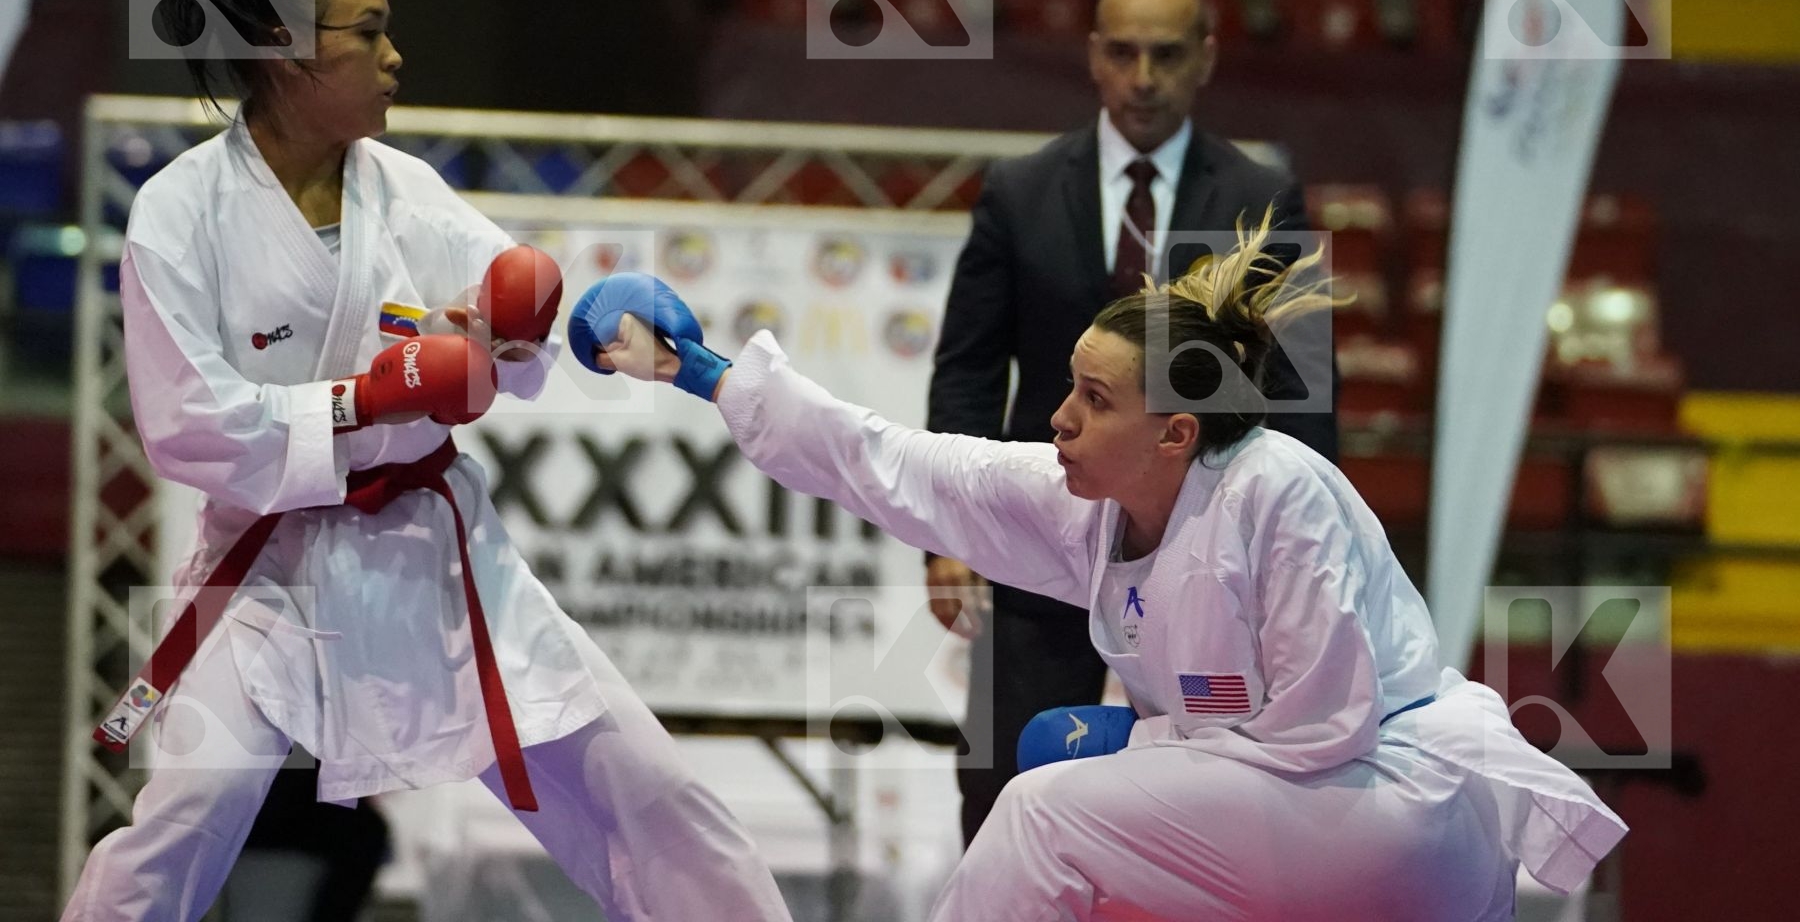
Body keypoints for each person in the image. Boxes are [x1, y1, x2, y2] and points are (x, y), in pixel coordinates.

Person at [568, 221, 1627, 922]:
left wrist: (1136, 734)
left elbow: (1322, 728)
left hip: (1395, 806)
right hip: (1304, 812)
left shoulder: (1277, 494)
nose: (1060, 417)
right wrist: (700, 372)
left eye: (1091, 398)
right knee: (1085, 840)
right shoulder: (1094, 498)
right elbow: (896, 463)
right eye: (1068, 389)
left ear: (1175, 431)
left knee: (1044, 812)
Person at [63, 0, 792, 922]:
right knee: (186, 814)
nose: (395, 55)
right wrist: (369, 397)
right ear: (284, 50)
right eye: (369, 32)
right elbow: (189, 423)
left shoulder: (404, 188)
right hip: (273, 571)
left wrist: (571, 319)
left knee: (656, 798)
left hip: (443, 562)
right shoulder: (180, 213)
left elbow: (507, 312)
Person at [926, 0, 1338, 845]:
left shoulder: (1262, 200)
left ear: (1205, 59)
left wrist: (1290, 555)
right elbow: (966, 371)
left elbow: (1299, 399)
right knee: (1002, 779)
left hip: (1208, 548)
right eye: (1124, 52)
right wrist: (948, 532)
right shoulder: (1019, 190)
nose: (1143, 76)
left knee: (1225, 786)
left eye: (1165, 53)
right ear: (1093, 58)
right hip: (1042, 526)